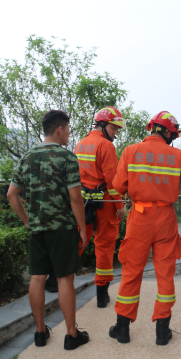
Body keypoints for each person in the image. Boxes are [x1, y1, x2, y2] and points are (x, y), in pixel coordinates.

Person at [109, 111, 181, 345]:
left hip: (139, 217)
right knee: (165, 274)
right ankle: (162, 331)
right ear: (170, 133)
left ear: (151, 128)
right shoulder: (177, 155)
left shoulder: (131, 152)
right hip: (166, 218)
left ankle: (122, 328)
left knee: (132, 271)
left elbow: (117, 186)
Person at [7, 110, 90, 350]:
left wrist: (27, 220)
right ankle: (71, 335)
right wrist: (82, 228)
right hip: (62, 227)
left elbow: (12, 194)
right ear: (60, 129)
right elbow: (75, 198)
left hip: (38, 228)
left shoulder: (28, 157)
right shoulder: (67, 158)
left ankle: (40, 333)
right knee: (65, 278)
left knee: (37, 278)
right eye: (68, 130)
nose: (68, 135)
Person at [72, 107, 126, 307]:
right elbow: (113, 180)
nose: (116, 133)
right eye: (114, 128)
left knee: (79, 239)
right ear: (102, 125)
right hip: (104, 202)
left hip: (83, 202)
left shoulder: (80, 144)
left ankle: (58, 279)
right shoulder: (106, 146)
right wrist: (119, 206)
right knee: (104, 245)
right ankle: (102, 295)